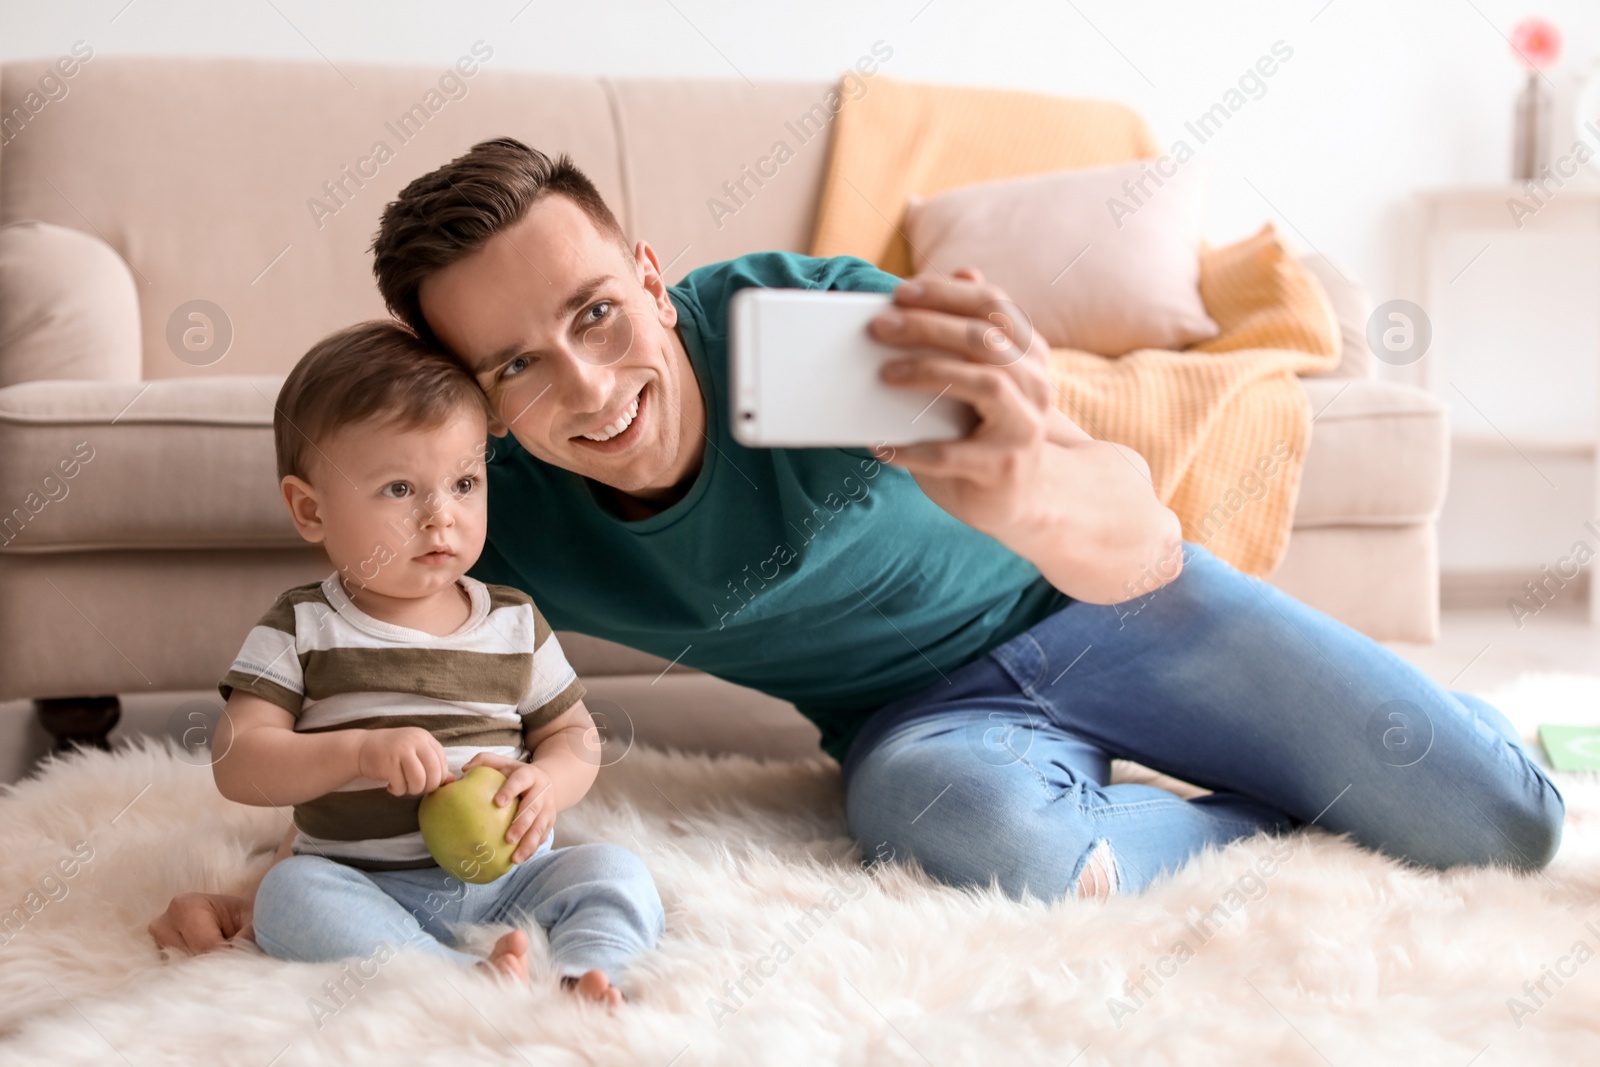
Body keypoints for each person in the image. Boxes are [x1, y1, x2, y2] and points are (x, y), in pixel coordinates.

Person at [152, 138, 1563, 956]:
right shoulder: (493, 502)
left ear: (651, 276)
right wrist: (276, 877)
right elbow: (404, 683)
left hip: (1116, 604)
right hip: (921, 724)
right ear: (475, 397)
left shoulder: (818, 317)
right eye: (514, 365)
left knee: (1509, 826)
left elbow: (1133, 529)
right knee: (973, 830)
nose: (587, 386)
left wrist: (1024, 471)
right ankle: (1275, 816)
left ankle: (1347, 753)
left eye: (596, 311)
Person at [191, 321, 664, 1004]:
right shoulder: (303, 625)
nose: (441, 517)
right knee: (289, 897)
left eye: (464, 481)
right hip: (362, 880)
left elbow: (575, 736)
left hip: (509, 880)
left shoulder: (512, 621)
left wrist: (545, 784)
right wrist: (355, 753)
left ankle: (592, 974)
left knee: (616, 871)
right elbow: (238, 759)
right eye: (399, 490)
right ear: (310, 509)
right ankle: (446, 981)